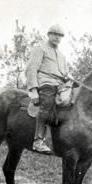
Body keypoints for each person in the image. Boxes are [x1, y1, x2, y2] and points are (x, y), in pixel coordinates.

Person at [26, 24, 70, 154]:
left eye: (60, 35)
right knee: (47, 103)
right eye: (54, 34)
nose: (57, 37)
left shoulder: (62, 56)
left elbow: (65, 73)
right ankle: (38, 141)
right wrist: (33, 90)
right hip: (46, 83)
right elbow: (31, 68)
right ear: (49, 35)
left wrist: (69, 78)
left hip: (60, 85)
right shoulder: (40, 49)